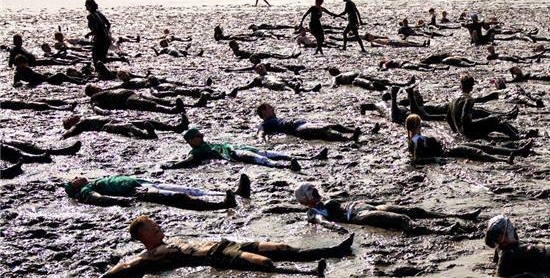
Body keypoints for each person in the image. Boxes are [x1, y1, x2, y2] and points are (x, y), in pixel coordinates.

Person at [92, 215, 348, 278]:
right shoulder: (152, 254)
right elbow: (126, 266)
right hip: (216, 256)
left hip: (224, 244)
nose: (158, 227)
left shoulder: (173, 239)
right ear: (143, 236)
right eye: (152, 227)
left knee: (279, 246)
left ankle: (332, 250)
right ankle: (309, 272)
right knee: (264, 262)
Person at [294, 181, 479, 234]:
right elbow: (323, 222)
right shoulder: (313, 212)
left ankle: (459, 214)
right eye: (310, 190)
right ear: (304, 199)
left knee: (413, 210)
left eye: (314, 187)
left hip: (363, 206)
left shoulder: (324, 201)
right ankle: (442, 231)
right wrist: (339, 229)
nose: (315, 190)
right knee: (400, 220)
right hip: (358, 217)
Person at [63, 173, 243, 210]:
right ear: (75, 188)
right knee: (179, 196)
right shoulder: (86, 190)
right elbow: (97, 199)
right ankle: (222, 204)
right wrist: (118, 201)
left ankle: (233, 194)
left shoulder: (94, 181)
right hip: (139, 191)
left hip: (144, 183)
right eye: (74, 180)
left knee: (189, 189)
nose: (78, 177)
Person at [169, 127, 319, 171]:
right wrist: (172, 166)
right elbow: (187, 161)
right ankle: (286, 166)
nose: (202, 137)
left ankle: (308, 158)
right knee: (259, 159)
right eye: (199, 136)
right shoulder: (195, 151)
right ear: (191, 140)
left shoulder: (203, 144)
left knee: (266, 153)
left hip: (236, 147)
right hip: (233, 154)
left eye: (202, 135)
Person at [404, 113, 530, 164]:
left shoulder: (414, 139)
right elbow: (417, 159)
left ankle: (519, 151)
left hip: (448, 146)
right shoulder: (417, 140)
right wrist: (435, 159)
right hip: (448, 151)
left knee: (482, 147)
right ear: (417, 125)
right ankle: (505, 160)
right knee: (478, 152)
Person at [447, 74, 522, 140]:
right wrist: (466, 133)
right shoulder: (469, 100)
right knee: (496, 119)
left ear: (461, 85)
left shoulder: (453, 99)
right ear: (472, 87)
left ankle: (517, 131)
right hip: (468, 131)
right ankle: (516, 136)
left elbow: (449, 119)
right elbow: (465, 119)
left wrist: (456, 131)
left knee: (479, 111)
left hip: (460, 129)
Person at [256, 102, 360, 142]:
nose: (273, 108)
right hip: (296, 128)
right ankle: (350, 138)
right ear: (263, 111)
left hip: (303, 124)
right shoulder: (265, 124)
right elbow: (261, 133)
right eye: (269, 107)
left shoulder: (277, 118)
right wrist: (261, 140)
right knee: (323, 128)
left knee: (325, 133)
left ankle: (352, 134)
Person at [62, 113, 189, 140]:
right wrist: (64, 135)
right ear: (70, 123)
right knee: (128, 126)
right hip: (108, 126)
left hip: (115, 120)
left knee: (147, 121)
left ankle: (175, 128)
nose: (72, 116)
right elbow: (72, 131)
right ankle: (147, 136)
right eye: (69, 119)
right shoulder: (80, 124)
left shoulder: (85, 117)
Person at [84, 84, 184, 114]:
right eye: (95, 87)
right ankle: (173, 110)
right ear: (92, 91)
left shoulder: (105, 91)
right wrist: (105, 113)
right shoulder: (95, 97)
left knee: (154, 99)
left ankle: (173, 104)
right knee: (150, 104)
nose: (98, 87)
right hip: (126, 100)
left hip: (131, 94)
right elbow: (95, 107)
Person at [230, 63, 321, 96]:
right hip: (272, 83)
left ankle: (310, 90)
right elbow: (248, 86)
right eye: (258, 68)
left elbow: (284, 78)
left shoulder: (272, 74)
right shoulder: (258, 78)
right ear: (256, 71)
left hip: (281, 80)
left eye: (262, 66)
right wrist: (238, 88)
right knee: (285, 87)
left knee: (292, 84)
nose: (261, 68)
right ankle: (294, 93)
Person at [12, 56, 89, 87]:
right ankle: (80, 82)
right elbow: (15, 84)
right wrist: (19, 84)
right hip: (46, 80)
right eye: (24, 63)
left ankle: (81, 79)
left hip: (44, 78)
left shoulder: (25, 70)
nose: (25, 65)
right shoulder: (19, 73)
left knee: (65, 77)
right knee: (61, 75)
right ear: (19, 64)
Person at [85, 0, 112, 64]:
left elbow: (95, 30)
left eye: (86, 5)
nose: (85, 7)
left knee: (95, 58)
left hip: (100, 40)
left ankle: (99, 72)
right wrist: (107, 32)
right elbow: (108, 24)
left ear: (89, 6)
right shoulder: (99, 13)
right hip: (107, 38)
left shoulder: (90, 16)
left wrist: (88, 34)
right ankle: (120, 60)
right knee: (102, 58)